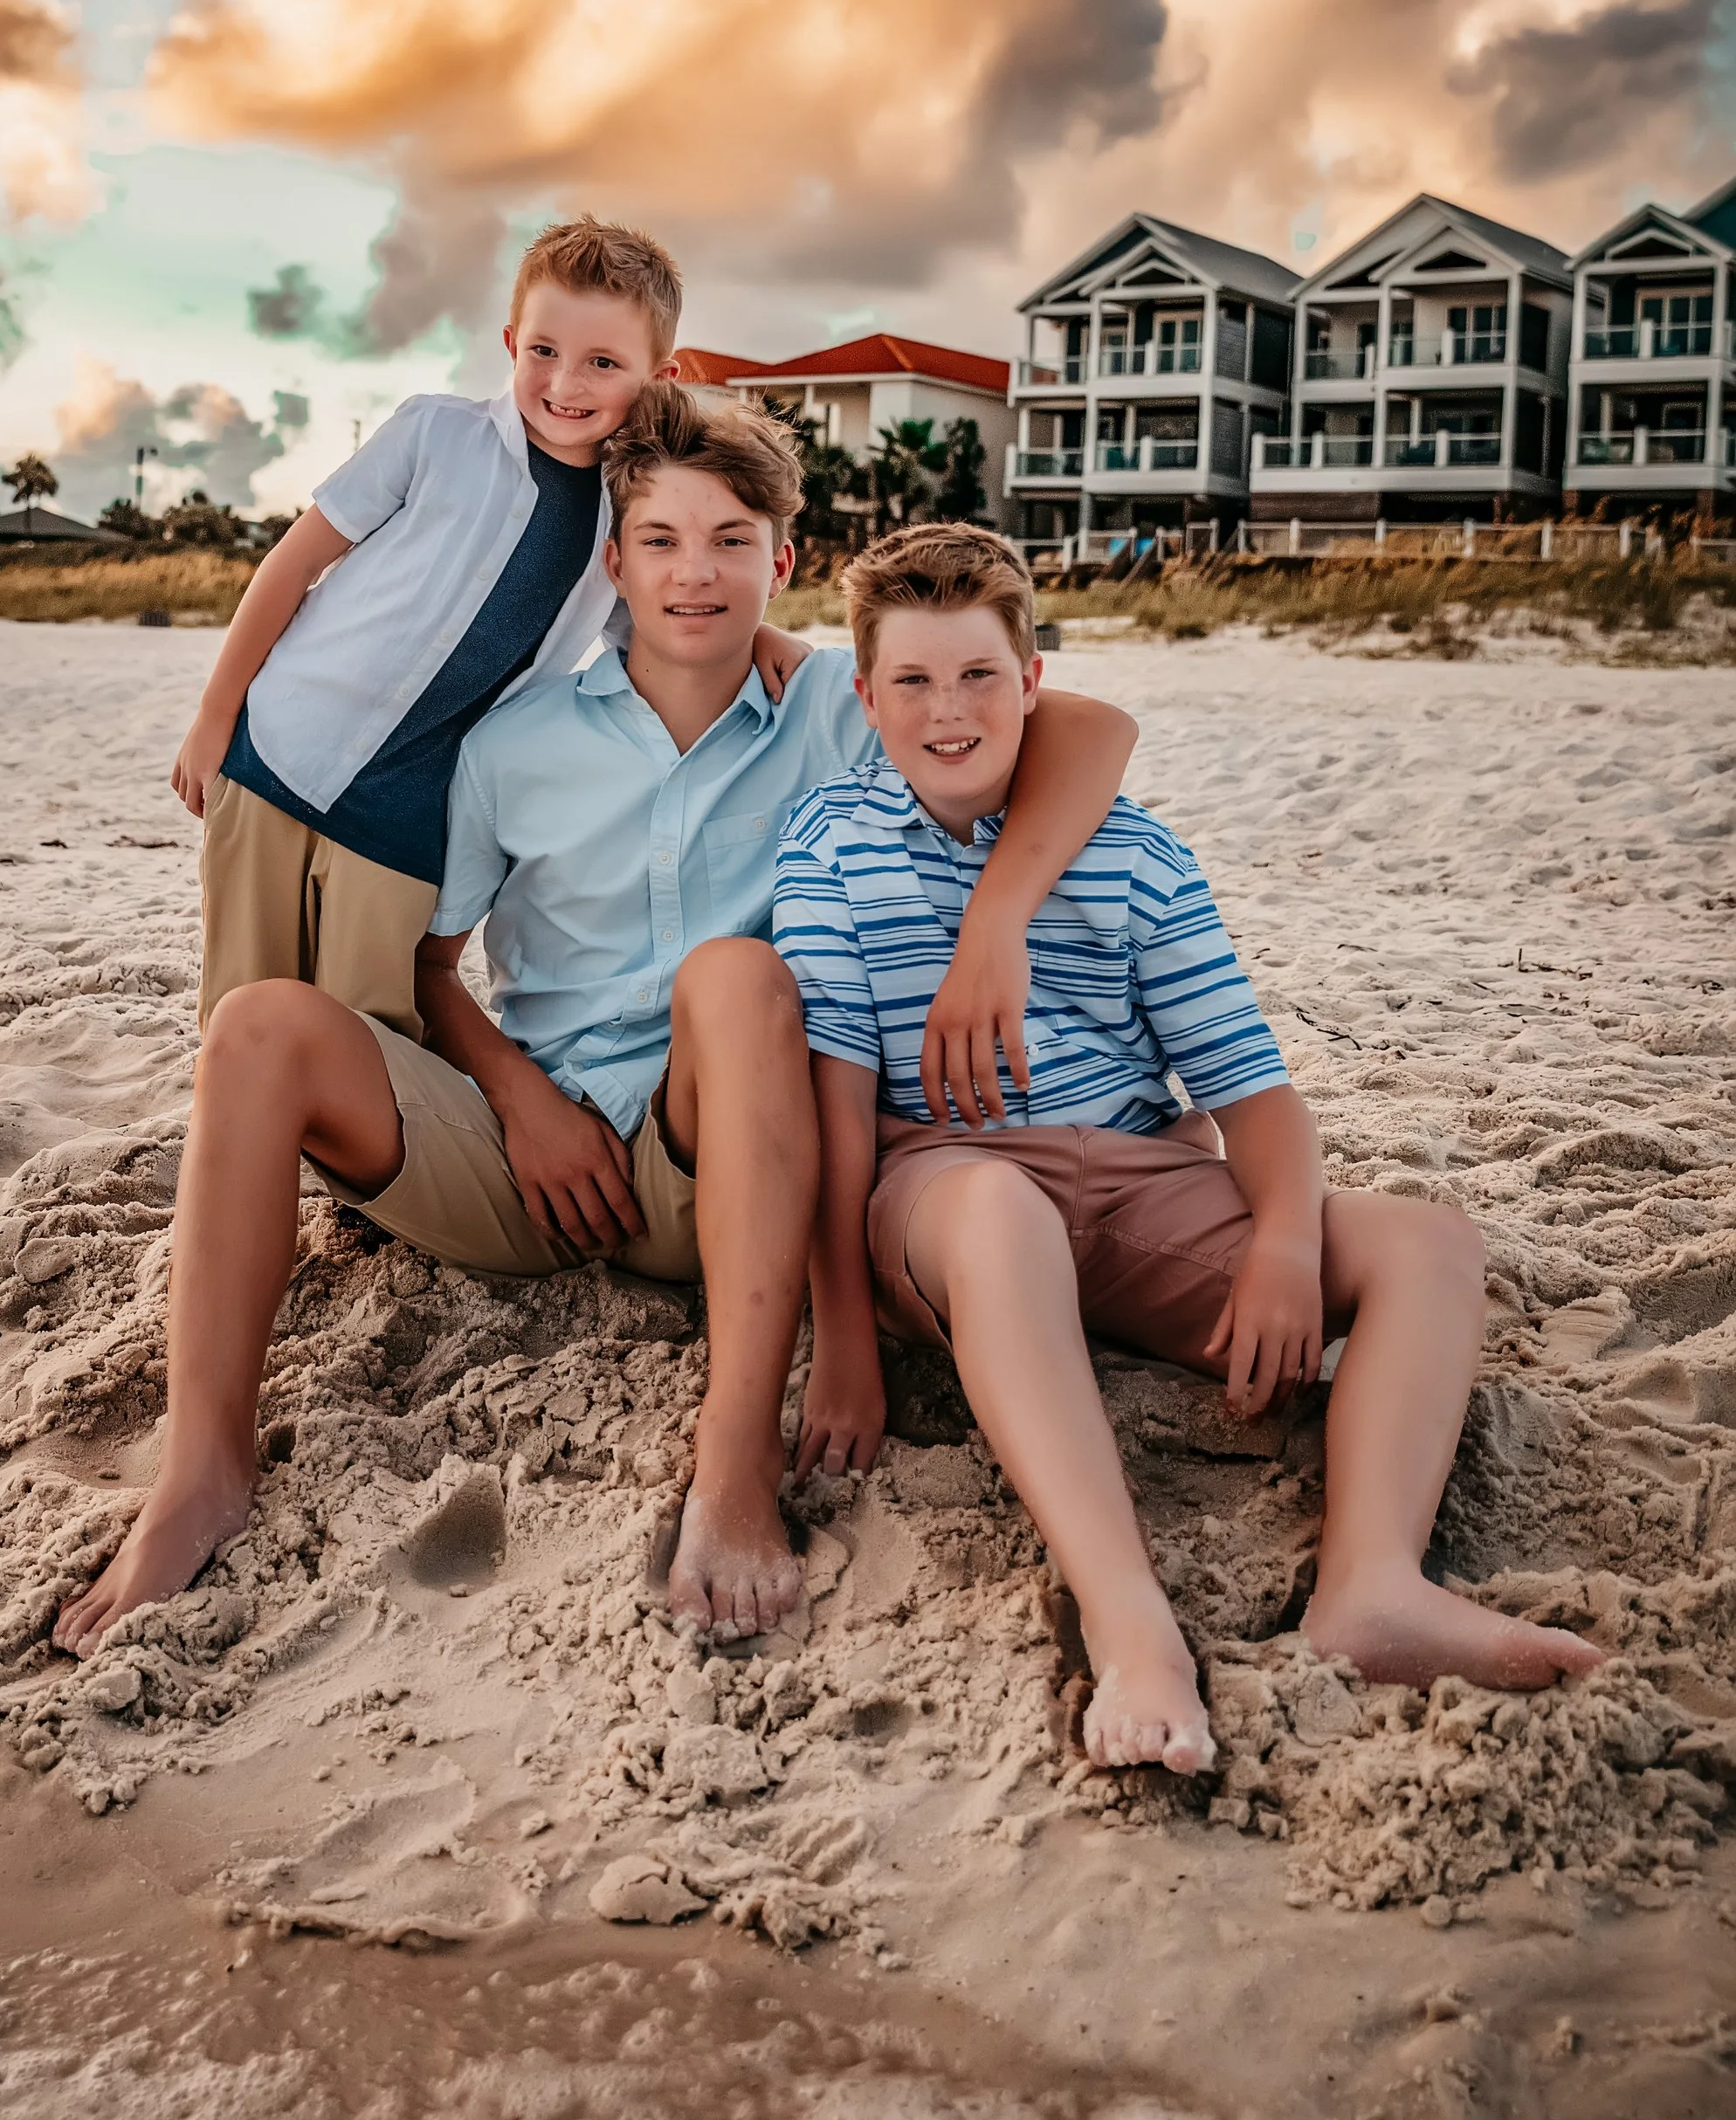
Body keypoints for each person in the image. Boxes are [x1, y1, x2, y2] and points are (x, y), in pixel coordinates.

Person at [57, 393, 1138, 1659]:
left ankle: (730, 1469)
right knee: (257, 1026)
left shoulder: (842, 702)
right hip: (532, 1170)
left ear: (780, 562)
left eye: (733, 539)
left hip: (727, 1163)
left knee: (738, 975)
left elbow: (1090, 726)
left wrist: (1001, 919)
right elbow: (436, 964)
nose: (697, 572)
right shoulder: (517, 738)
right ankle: (204, 1470)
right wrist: (519, 1098)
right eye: (662, 539)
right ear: (612, 560)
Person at [774, 521, 1602, 1780]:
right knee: (999, 1212)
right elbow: (836, 1109)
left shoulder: (1135, 855)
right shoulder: (828, 846)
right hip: (941, 1186)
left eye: (981, 675)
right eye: (914, 681)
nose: (949, 711)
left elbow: (1251, 1093)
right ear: (864, 696)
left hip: (1138, 1174)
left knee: (1429, 1243)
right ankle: (1130, 1621)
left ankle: (1373, 1588)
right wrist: (842, 1336)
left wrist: (1280, 1238)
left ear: (1035, 679)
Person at [172, 213, 809, 1037]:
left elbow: (660, 623)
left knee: (364, 1037)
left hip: (410, 826)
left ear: (658, 374)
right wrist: (215, 716)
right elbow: (291, 567)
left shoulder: (625, 518)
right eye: (543, 351)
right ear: (512, 340)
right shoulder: (434, 433)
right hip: (277, 751)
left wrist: (762, 635)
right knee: (234, 1016)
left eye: (602, 363)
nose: (565, 383)